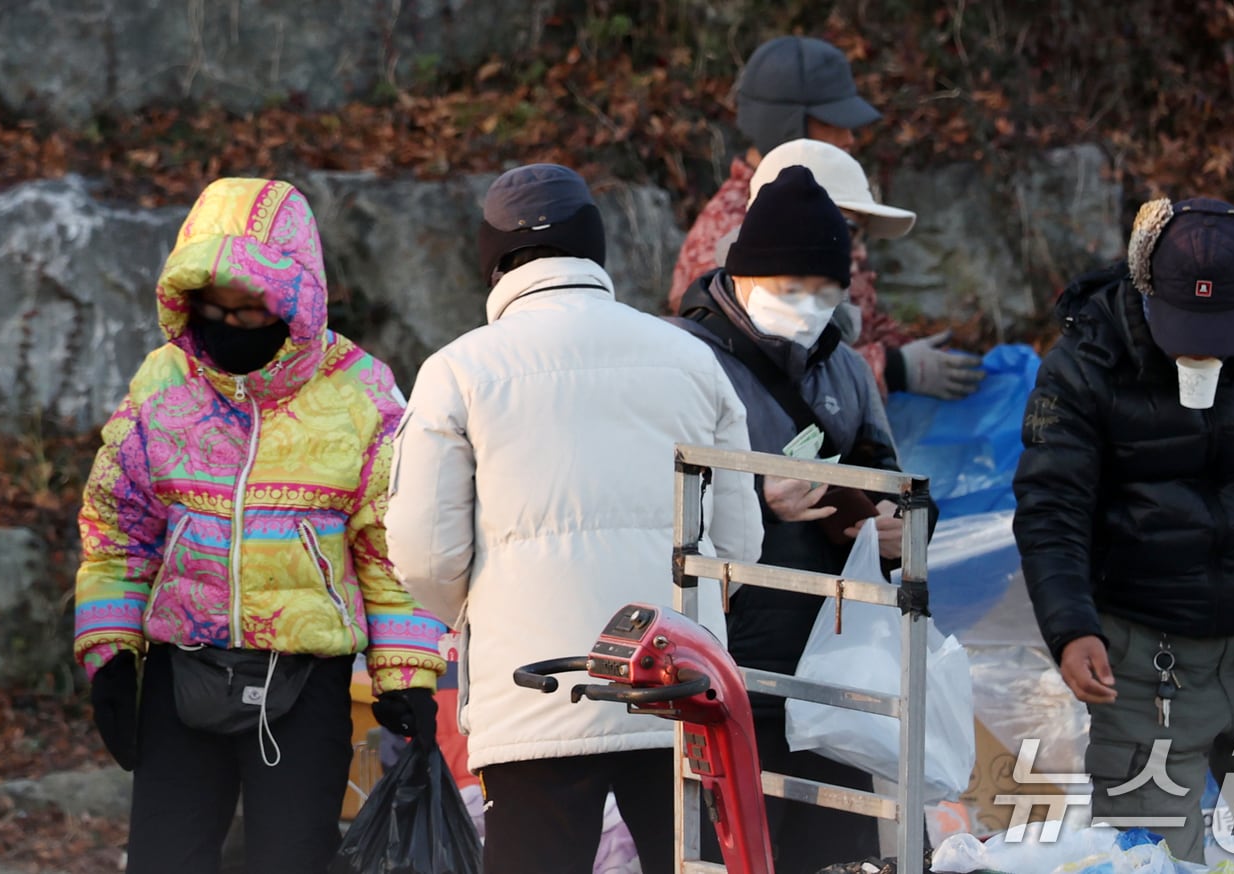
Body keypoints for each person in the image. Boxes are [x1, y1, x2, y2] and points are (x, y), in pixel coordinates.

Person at [384, 163, 763, 874]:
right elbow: (740, 543)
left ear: (491, 256)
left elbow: (422, 555)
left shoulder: (457, 371)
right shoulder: (692, 360)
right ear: (595, 248)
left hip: (533, 691)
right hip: (676, 681)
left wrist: (478, 611)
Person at [72, 177, 448, 874]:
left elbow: (390, 550)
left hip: (305, 683)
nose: (229, 327)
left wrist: (406, 676)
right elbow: (118, 532)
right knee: (164, 860)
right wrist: (110, 654)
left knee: (294, 859)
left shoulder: (360, 394)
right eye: (213, 310)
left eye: (249, 313)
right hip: (182, 673)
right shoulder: (164, 382)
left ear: (294, 302)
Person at [1012, 196, 1234, 871]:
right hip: (1144, 664)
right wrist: (1071, 626)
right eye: (1185, 326)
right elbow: (1052, 505)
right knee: (1156, 863)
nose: (1200, 347)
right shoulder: (1086, 365)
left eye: (1220, 329)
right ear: (1146, 291)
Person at [673, 163, 937, 871]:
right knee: (731, 849)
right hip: (727, 656)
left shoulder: (845, 368)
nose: (808, 306)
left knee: (838, 852)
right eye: (790, 290)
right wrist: (756, 500)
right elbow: (650, 499)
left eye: (824, 292)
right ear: (742, 275)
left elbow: (890, 470)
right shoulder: (687, 360)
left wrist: (895, 523)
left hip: (834, 663)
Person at [667, 34, 983, 400]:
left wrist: (914, 349)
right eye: (832, 121)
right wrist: (892, 368)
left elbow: (854, 313)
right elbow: (748, 366)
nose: (849, 138)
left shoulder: (826, 203)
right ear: (787, 124)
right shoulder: (732, 232)